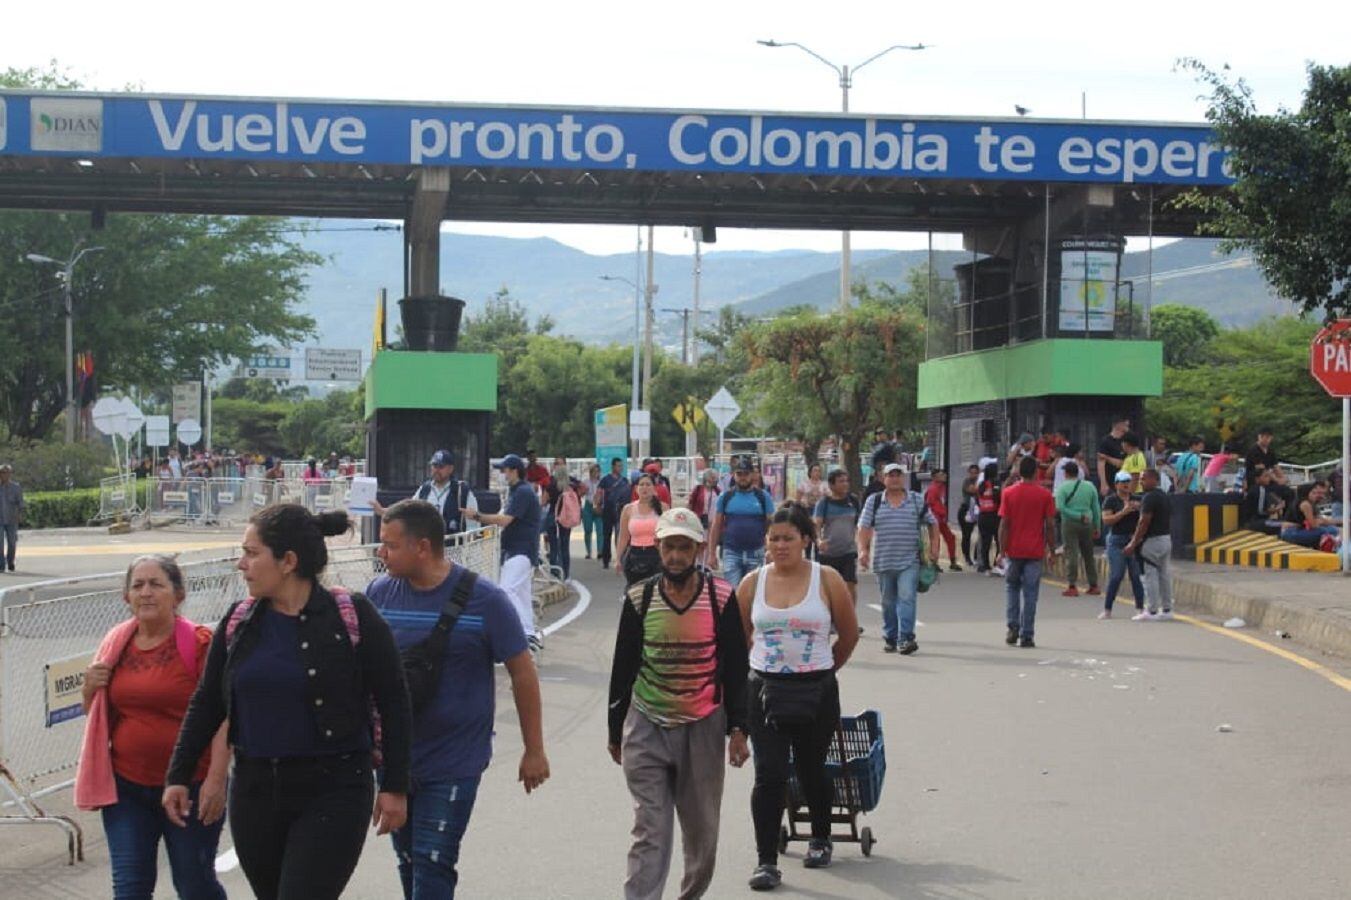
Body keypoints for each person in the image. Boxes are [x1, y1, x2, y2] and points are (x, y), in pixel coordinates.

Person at [164, 505, 413, 900]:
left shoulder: (350, 614)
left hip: (334, 790)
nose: (240, 564)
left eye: (251, 552)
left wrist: (395, 785)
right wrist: (178, 775)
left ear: (288, 561)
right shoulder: (239, 621)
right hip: (255, 792)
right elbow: (208, 701)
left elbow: (394, 700)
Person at [368, 500, 548, 898]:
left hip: (455, 760)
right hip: (396, 761)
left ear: (423, 547)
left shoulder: (486, 600)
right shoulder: (379, 595)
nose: (381, 553)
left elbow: (522, 672)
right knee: (410, 861)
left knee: (433, 861)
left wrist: (534, 749)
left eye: (390, 545)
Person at [607, 507, 750, 900]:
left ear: (699, 549)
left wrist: (739, 729)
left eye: (684, 548)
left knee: (702, 833)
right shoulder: (639, 597)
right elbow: (623, 668)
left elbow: (737, 667)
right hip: (647, 723)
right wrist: (615, 730)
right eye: (669, 547)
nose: (675, 556)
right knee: (649, 829)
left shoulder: (721, 596)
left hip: (703, 724)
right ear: (657, 547)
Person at [75, 555, 228, 900]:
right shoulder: (115, 644)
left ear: (178, 595)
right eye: (137, 585)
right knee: (129, 889)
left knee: (194, 886)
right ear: (126, 596)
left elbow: (223, 717)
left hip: (192, 786)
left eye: (156, 584)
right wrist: (88, 689)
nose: (146, 593)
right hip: (127, 789)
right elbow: (98, 714)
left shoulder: (201, 644)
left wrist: (217, 780)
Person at [737, 504, 859, 891]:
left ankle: (820, 837)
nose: (781, 545)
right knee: (769, 774)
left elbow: (849, 633)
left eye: (789, 538)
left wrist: (822, 671)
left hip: (817, 690)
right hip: (764, 691)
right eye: (774, 538)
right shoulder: (752, 583)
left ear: (806, 540)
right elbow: (739, 639)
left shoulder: (828, 580)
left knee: (810, 767)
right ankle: (766, 861)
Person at [858, 463, 939, 655]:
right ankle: (891, 637)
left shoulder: (915, 500)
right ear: (883, 479)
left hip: (909, 561)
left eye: (898, 475)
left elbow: (932, 524)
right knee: (888, 602)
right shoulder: (874, 501)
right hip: (884, 561)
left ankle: (906, 638)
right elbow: (864, 527)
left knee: (907, 597)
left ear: (903, 478)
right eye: (890, 475)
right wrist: (863, 550)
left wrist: (935, 548)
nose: (894, 478)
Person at [466, 454, 544, 654]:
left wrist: (476, 516)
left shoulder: (523, 492)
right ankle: (529, 632)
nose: (502, 474)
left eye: (505, 470)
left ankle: (525, 633)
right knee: (521, 594)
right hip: (515, 550)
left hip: (521, 550)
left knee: (507, 590)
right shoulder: (516, 491)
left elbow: (505, 519)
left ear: (514, 470)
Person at [998, 456, 1057, 648]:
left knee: (1012, 588)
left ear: (1019, 472)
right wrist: (1052, 549)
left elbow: (1004, 525)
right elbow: (1049, 525)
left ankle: (1012, 626)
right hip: (1034, 551)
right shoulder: (1045, 495)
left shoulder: (1008, 493)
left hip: (1013, 551)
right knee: (1031, 594)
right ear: (1035, 472)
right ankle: (1027, 634)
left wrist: (1001, 550)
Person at [373, 449, 478, 537]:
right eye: (434, 466)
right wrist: (382, 511)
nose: (436, 470)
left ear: (450, 469)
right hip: (429, 550)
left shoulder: (462, 491)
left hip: (454, 548)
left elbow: (473, 525)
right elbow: (407, 510)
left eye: (441, 467)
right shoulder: (425, 489)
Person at [707, 458, 775, 588]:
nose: (743, 477)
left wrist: (770, 549)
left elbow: (772, 525)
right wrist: (711, 554)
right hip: (731, 552)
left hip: (756, 552)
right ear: (734, 475)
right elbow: (716, 526)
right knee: (732, 594)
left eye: (746, 474)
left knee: (753, 593)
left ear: (752, 475)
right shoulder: (725, 497)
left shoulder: (763, 497)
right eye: (739, 474)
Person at [1123, 469, 1174, 621]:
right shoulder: (1164, 496)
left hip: (1152, 541)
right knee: (1164, 574)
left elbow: (1144, 521)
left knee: (1150, 574)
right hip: (1166, 539)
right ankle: (1167, 609)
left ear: (1155, 480)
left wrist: (1133, 542)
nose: (1141, 481)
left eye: (1144, 479)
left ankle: (1151, 610)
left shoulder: (1149, 498)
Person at [812, 469, 862, 622]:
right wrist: (819, 541)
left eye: (846, 481)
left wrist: (861, 545)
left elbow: (859, 525)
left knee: (850, 584)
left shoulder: (853, 501)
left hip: (848, 551)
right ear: (831, 485)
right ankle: (828, 619)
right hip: (828, 553)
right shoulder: (824, 503)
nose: (845, 484)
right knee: (827, 589)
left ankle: (849, 620)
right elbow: (816, 525)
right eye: (841, 481)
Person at [1098, 472, 1147, 619]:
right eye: (1123, 481)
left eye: (1128, 481)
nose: (1126, 484)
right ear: (1116, 484)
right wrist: (1123, 512)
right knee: (1116, 575)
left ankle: (1140, 607)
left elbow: (1147, 517)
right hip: (1116, 541)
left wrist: (1139, 509)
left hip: (1133, 540)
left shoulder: (1138, 499)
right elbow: (1106, 520)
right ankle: (1107, 609)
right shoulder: (1110, 501)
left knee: (1136, 576)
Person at [1054, 462, 1101, 597]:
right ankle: (1094, 585)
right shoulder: (1090, 486)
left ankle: (1072, 585)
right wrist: (1097, 525)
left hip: (1069, 523)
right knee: (1088, 554)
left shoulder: (1062, 488)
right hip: (1088, 522)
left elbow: (1060, 508)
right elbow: (1096, 508)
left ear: (1066, 473)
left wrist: (1077, 516)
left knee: (1072, 553)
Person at [617, 474, 667, 585]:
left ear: (654, 488)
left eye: (648, 485)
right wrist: (618, 558)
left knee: (655, 592)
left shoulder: (663, 508)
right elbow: (623, 537)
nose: (645, 488)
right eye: (642, 485)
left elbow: (668, 536)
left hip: (656, 555)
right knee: (635, 592)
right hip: (634, 556)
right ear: (636, 489)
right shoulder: (628, 509)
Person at [1279, 481, 1341, 550]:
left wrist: (1321, 521)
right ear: (1307, 493)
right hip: (1290, 533)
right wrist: (1319, 522)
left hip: (1296, 530)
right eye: (1313, 493)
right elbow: (1313, 525)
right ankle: (1326, 547)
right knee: (1325, 531)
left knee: (1332, 529)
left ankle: (1322, 546)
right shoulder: (1305, 504)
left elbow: (1320, 521)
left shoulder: (1307, 503)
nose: (1316, 495)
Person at [597, 457, 632, 570]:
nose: (620, 468)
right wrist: (596, 505)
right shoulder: (605, 480)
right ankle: (606, 560)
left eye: (621, 466)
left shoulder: (624, 481)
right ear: (613, 467)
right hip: (607, 511)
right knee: (606, 536)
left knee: (620, 536)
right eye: (618, 466)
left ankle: (620, 559)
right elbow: (598, 493)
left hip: (620, 512)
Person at [923, 468, 962, 571]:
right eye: (941, 475)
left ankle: (952, 561)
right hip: (936, 518)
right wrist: (939, 514)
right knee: (937, 540)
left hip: (940, 518)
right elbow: (930, 504)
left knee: (949, 538)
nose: (944, 476)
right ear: (935, 477)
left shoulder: (941, 488)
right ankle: (934, 563)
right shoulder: (934, 489)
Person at [548, 469, 581, 579]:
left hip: (554, 517)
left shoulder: (552, 486)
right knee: (565, 546)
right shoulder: (571, 488)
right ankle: (566, 574)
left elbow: (543, 501)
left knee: (554, 547)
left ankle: (555, 573)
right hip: (567, 518)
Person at [974, 462, 1002, 573]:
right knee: (999, 540)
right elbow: (998, 498)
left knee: (985, 541)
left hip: (983, 515)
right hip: (994, 515)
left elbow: (977, 499)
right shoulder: (996, 484)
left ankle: (984, 565)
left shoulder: (981, 485)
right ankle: (997, 563)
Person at [1096, 416, 1130, 495]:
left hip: (1125, 480)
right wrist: (1103, 483)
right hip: (1111, 479)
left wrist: (1107, 458)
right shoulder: (1106, 441)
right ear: (1119, 425)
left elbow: (1124, 463)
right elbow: (1101, 462)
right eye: (1126, 425)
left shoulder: (1126, 441)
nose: (1128, 428)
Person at [956, 463, 980, 568]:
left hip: (978, 510)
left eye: (976, 473)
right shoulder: (967, 481)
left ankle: (976, 556)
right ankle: (967, 557)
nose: (974, 475)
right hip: (966, 510)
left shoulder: (980, 481)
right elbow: (972, 490)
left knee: (982, 534)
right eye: (972, 473)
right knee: (967, 535)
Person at [0, 464, 23, 572]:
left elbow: (20, 503)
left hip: (11, 519)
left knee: (12, 542)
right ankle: (1, 564)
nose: (4, 475)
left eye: (6, 472)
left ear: (10, 474)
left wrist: (19, 515)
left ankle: (10, 562)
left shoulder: (16, 487)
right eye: (2, 472)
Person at [581, 463, 604, 559]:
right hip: (588, 506)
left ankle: (600, 551)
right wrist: (583, 490)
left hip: (598, 506)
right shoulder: (586, 482)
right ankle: (588, 551)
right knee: (588, 530)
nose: (596, 473)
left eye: (598, 471)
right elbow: (581, 494)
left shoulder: (602, 483)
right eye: (594, 471)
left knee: (600, 530)